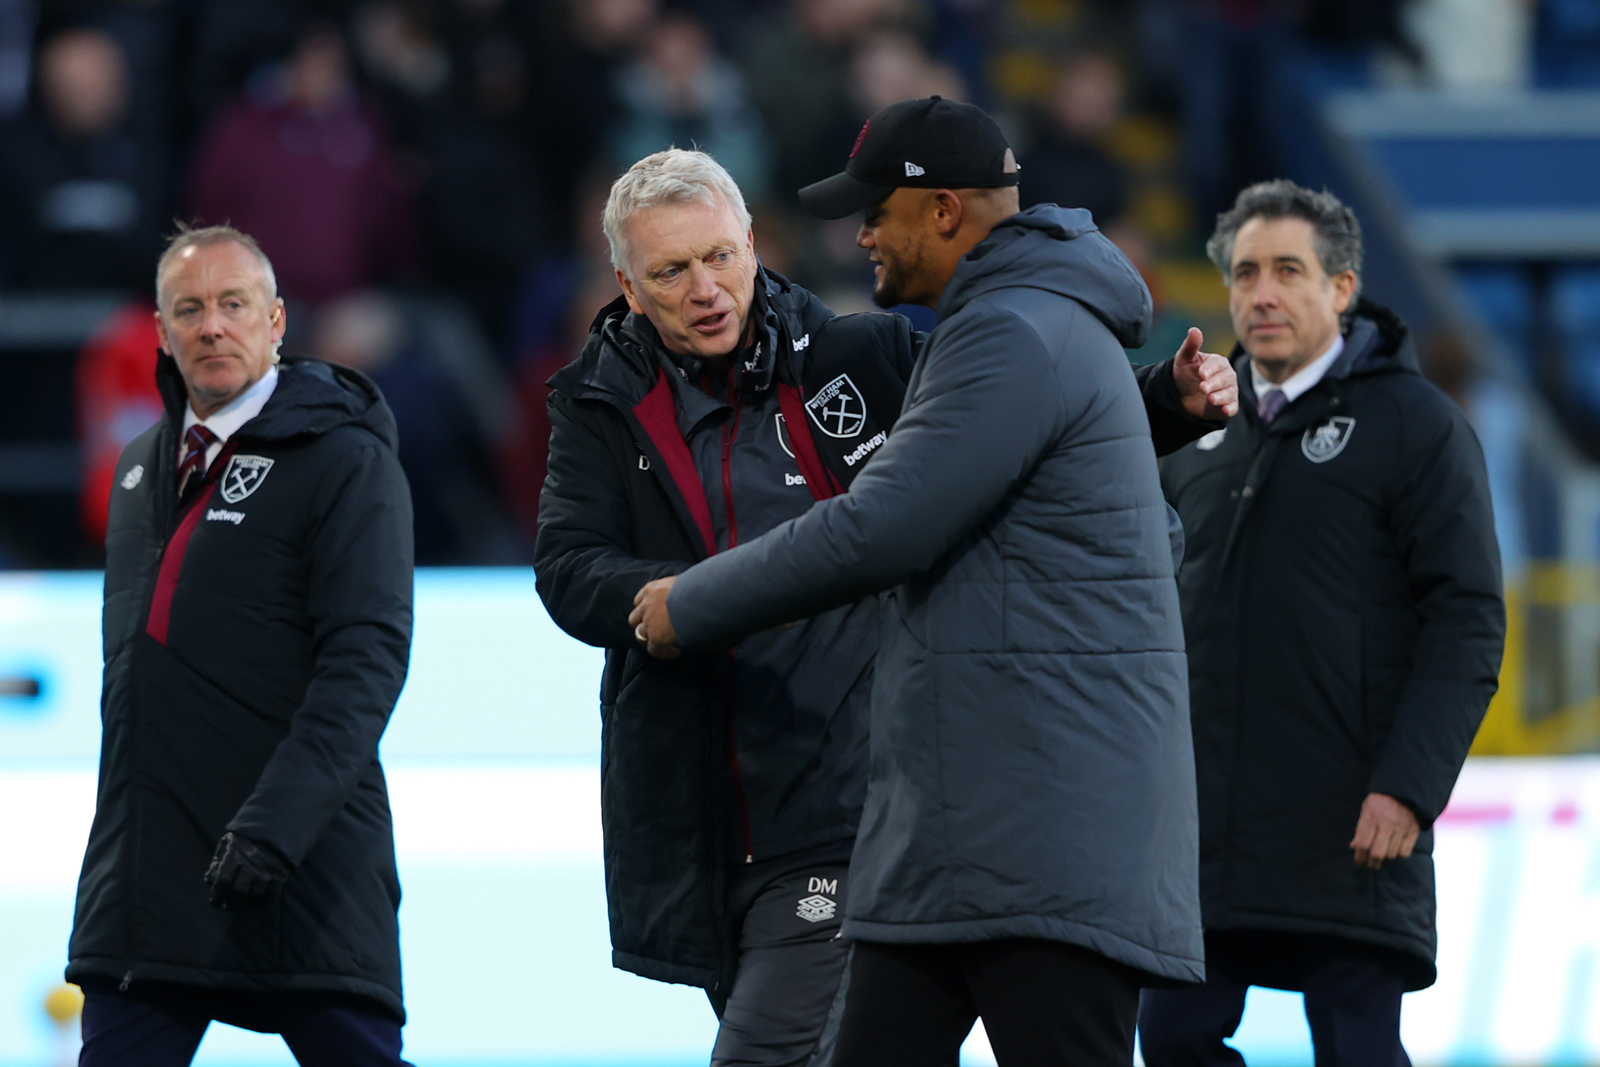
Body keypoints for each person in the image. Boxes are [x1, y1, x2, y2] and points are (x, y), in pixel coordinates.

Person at [537, 143, 1236, 1066]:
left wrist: (1165, 405)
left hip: (854, 800)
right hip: (697, 808)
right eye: (672, 271)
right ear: (629, 286)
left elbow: (1009, 427)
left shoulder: (860, 355)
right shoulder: (597, 402)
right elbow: (568, 567)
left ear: (754, 242)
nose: (705, 287)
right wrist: (663, 604)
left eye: (720, 257)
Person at [1139, 181, 1505, 1066]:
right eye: (1246, 272)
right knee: (1175, 1038)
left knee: (1357, 1051)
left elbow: (1466, 619)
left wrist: (1410, 788)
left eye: (1289, 271)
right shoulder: (1193, 436)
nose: (1261, 293)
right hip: (1204, 834)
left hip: (1353, 829)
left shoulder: (1417, 425)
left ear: (1341, 289)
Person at [68, 224, 416, 1066]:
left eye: (233, 304)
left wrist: (274, 830)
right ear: (160, 329)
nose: (211, 325)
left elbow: (366, 660)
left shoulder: (345, 459)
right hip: (149, 877)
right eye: (189, 308)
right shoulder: (140, 466)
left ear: (276, 321)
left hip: (299, 860)